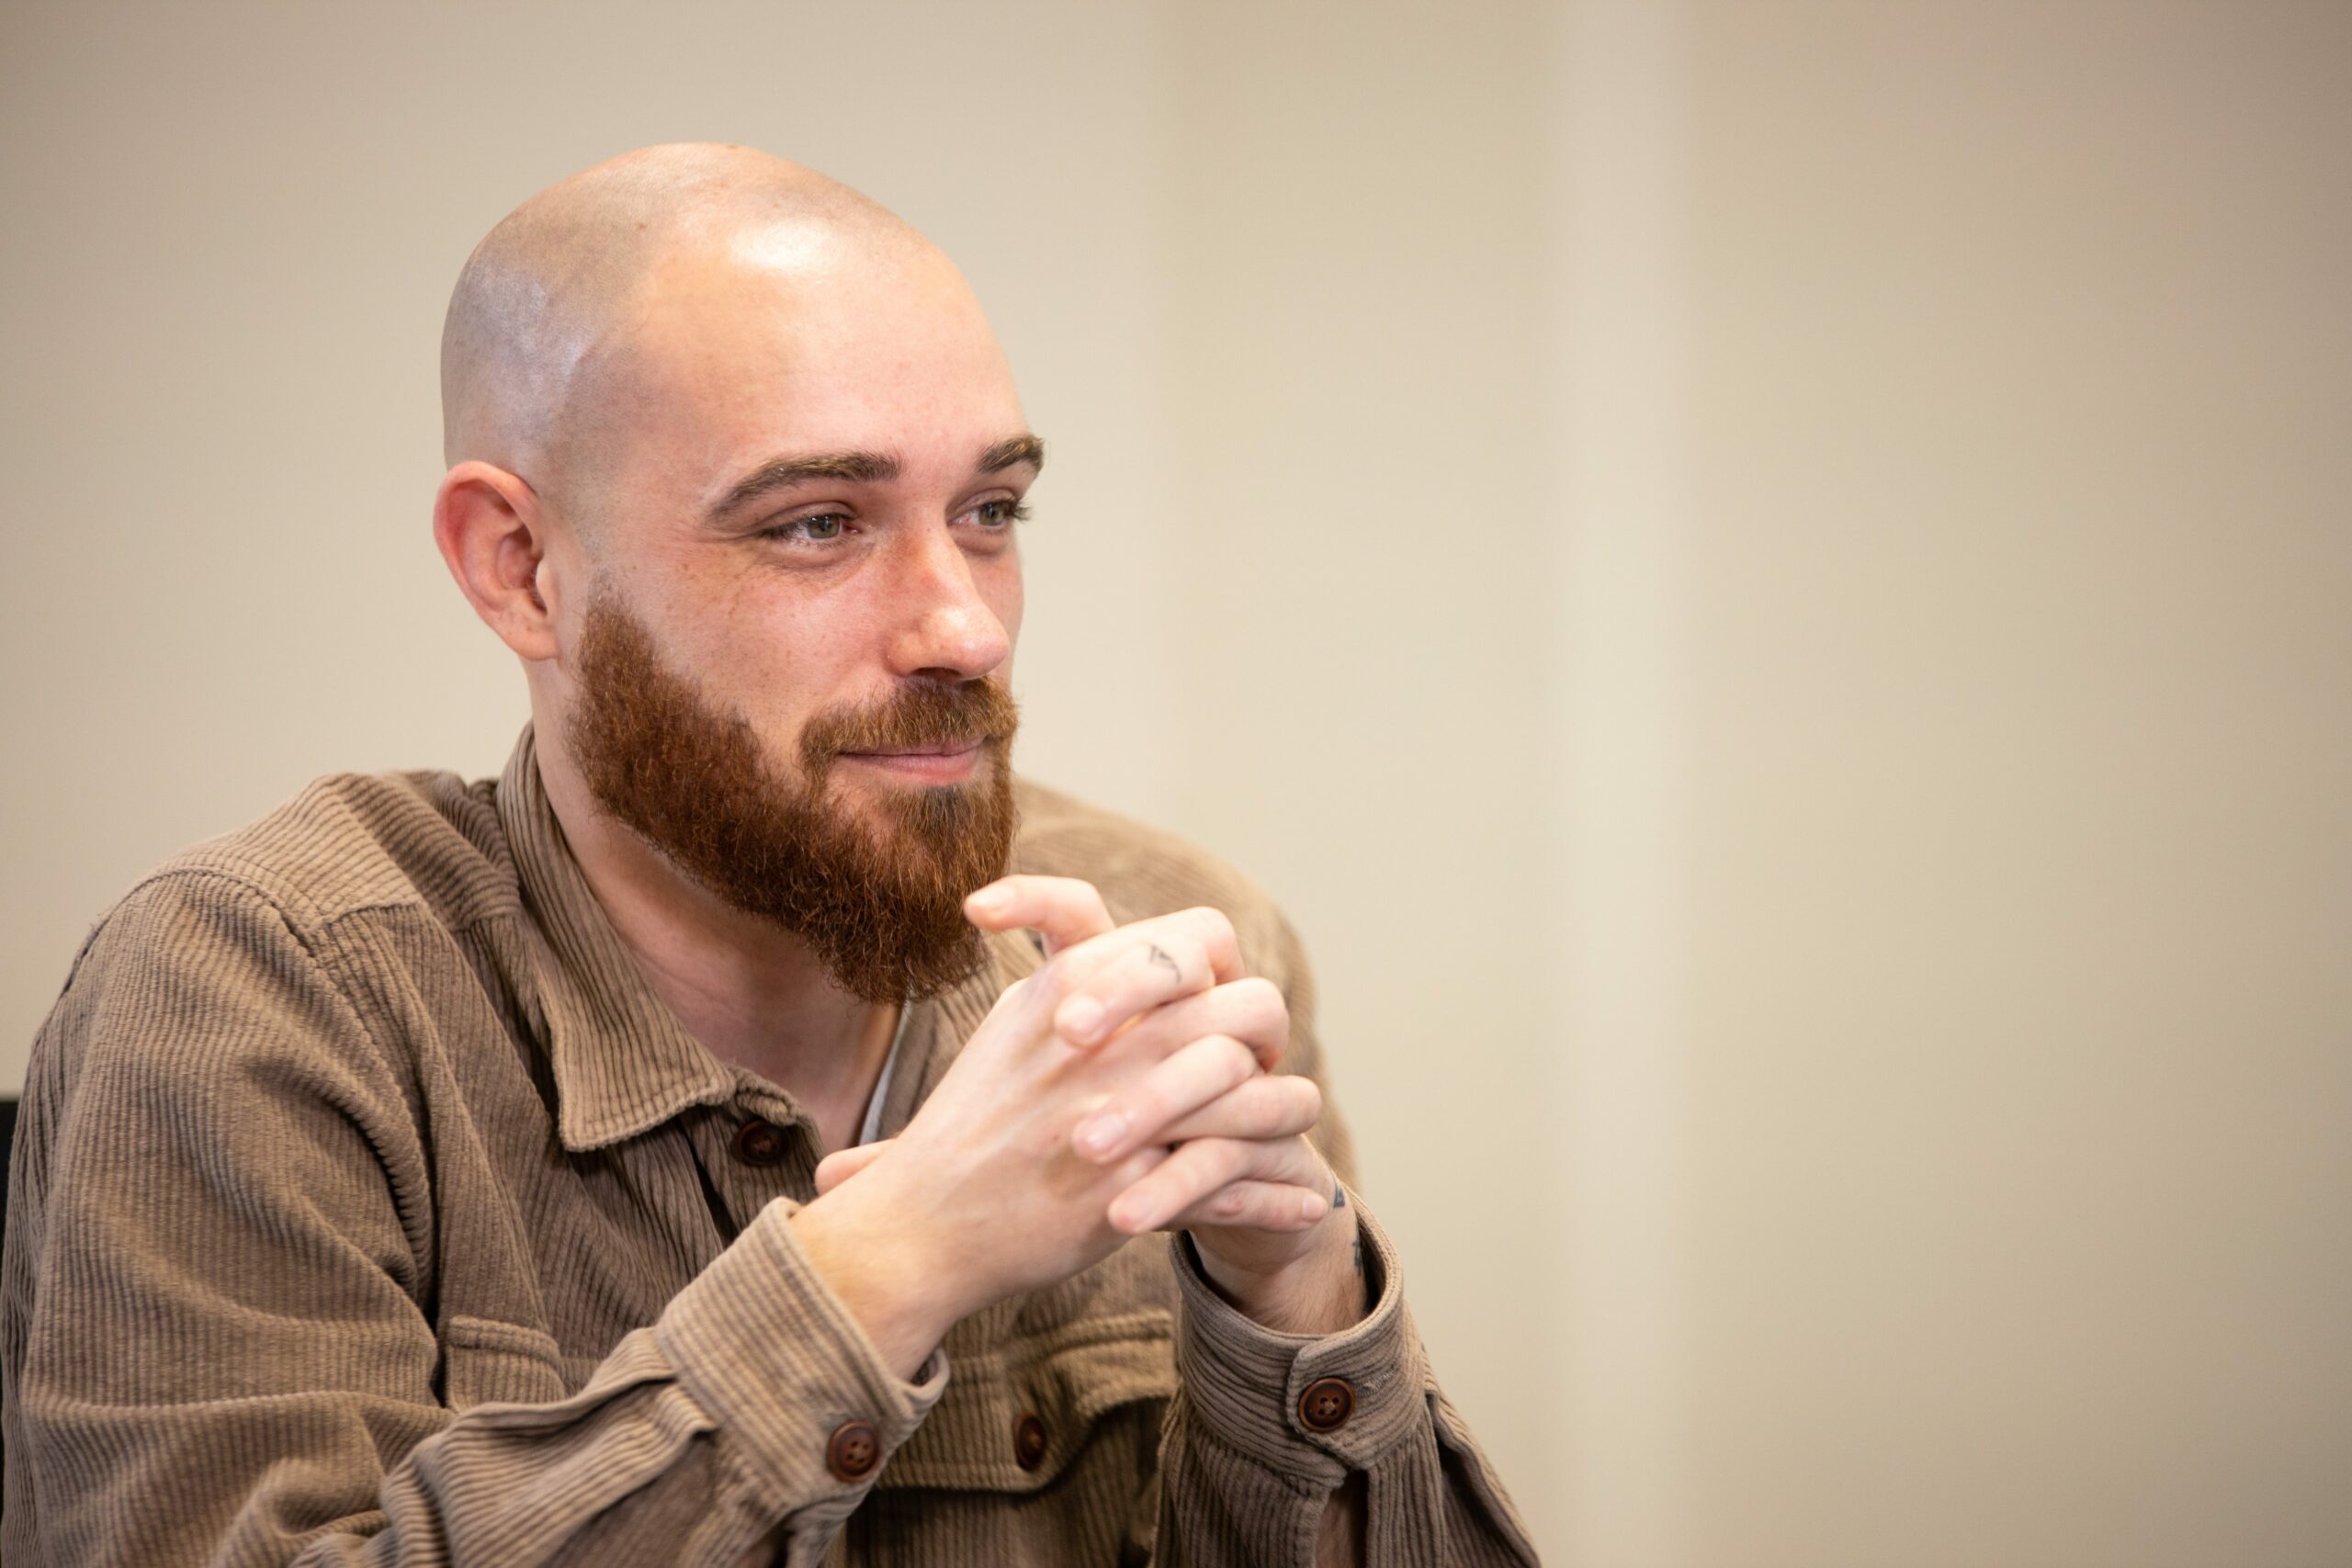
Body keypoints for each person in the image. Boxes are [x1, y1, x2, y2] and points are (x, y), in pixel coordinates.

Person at [1, 144, 1536, 1567]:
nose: (966, 627)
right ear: (520, 568)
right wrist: (892, 1262)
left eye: (990, 510)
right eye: (817, 524)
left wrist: (1300, 1314)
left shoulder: (1167, 953)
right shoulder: (260, 997)